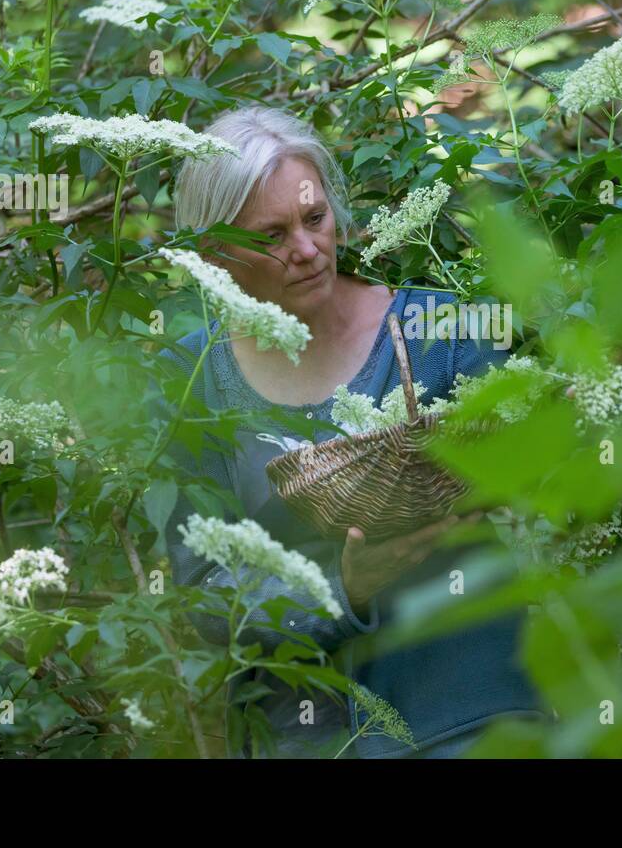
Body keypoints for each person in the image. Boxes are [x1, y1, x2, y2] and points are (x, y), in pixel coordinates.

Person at [153, 105, 546, 757]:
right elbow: (204, 599)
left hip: (469, 716)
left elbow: (539, 485)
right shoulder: (191, 377)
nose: (307, 251)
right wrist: (346, 589)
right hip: (304, 736)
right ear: (215, 253)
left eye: (314, 218)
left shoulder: (438, 331)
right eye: (270, 235)